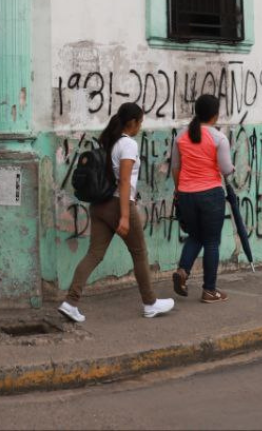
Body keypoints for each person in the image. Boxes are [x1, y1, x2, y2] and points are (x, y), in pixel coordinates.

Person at [59, 103, 175, 323]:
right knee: (140, 253)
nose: (141, 126)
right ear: (132, 123)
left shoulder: (108, 142)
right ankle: (150, 303)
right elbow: (124, 181)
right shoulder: (128, 145)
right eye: (140, 122)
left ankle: (70, 302)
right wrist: (123, 215)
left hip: (99, 205)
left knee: (94, 254)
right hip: (117, 204)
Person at [171, 94, 234, 303]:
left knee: (196, 236)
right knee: (212, 241)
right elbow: (226, 169)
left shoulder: (180, 136)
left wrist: (179, 191)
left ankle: (183, 271)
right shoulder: (219, 138)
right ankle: (209, 290)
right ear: (215, 115)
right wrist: (232, 167)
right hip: (211, 195)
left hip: (186, 194)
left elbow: (175, 168)